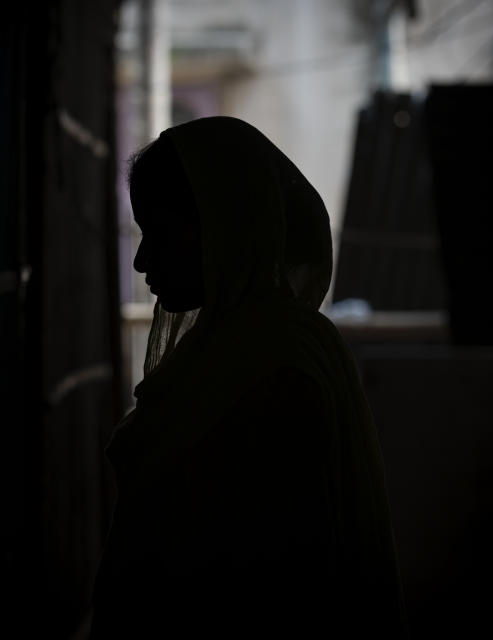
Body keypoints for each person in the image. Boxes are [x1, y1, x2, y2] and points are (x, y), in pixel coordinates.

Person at [89, 117, 407, 638]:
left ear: (225, 228)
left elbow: (273, 586)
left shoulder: (278, 366)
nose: (142, 259)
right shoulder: (226, 350)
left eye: (160, 233)